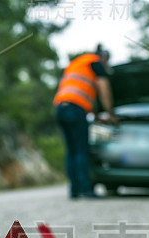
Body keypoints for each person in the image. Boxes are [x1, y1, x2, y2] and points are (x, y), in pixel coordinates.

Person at [53, 44, 118, 199]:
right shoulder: (95, 62)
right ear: (103, 57)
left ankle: (75, 190)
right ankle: (86, 189)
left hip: (61, 108)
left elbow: (82, 95)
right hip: (75, 109)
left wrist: (95, 115)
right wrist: (110, 114)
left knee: (72, 150)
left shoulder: (77, 63)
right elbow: (104, 89)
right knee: (82, 149)